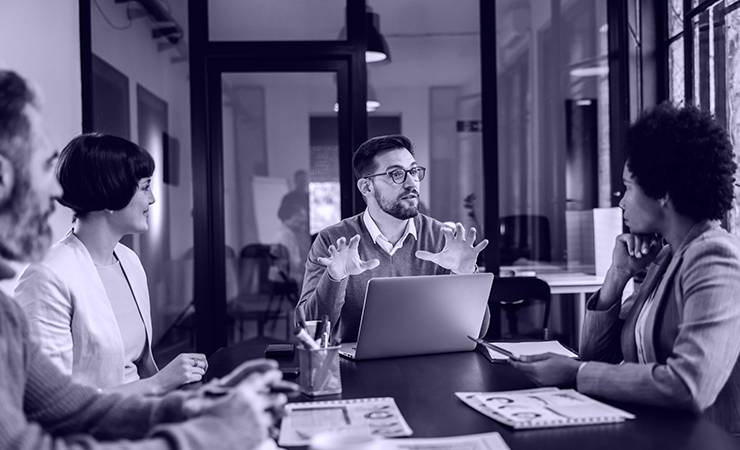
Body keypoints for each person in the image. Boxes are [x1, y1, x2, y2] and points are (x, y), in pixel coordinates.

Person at [0, 69, 290, 449]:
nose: (57, 190)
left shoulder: (6, 314)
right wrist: (210, 432)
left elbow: (72, 407)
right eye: (43, 167)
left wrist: (204, 404)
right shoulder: (46, 277)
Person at [509, 104, 740, 434]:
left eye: (628, 187)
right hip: (654, 435)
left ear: (662, 191)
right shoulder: (666, 258)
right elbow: (595, 355)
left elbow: (690, 385)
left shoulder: (715, 257)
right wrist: (617, 276)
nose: (621, 202)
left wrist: (576, 373)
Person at [15, 133, 207, 395]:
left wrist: (174, 383)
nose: (152, 199)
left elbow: (137, 370)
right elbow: (50, 399)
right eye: (145, 187)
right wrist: (160, 382)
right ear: (111, 192)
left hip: (141, 411)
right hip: (97, 421)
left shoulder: (129, 261)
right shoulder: (47, 276)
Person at [296, 134, 490, 342]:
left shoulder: (442, 239)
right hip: (351, 361)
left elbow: (476, 333)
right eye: (396, 174)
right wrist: (335, 277)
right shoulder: (333, 241)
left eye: (414, 171)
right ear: (366, 187)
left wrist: (465, 275)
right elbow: (307, 331)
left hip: (428, 358)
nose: (412, 183)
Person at [275, 169, 311, 286]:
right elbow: (281, 214)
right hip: (294, 234)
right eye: (301, 180)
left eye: (305, 181)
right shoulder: (289, 198)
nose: (303, 183)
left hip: (305, 233)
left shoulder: (309, 197)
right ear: (296, 181)